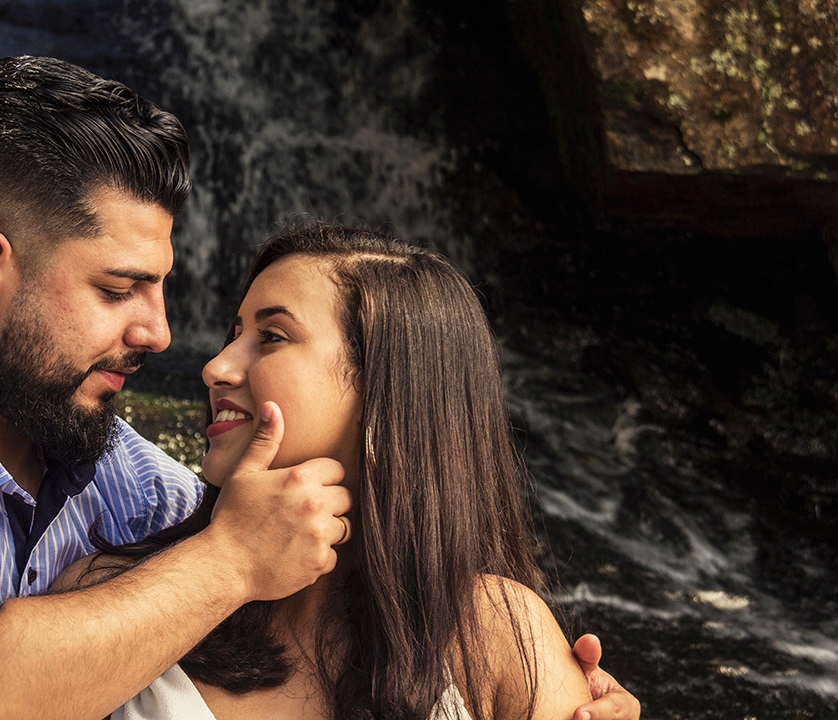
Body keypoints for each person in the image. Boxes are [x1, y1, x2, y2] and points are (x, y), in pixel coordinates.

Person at [0, 56, 636, 719]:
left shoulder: (110, 470)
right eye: (117, 288)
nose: (169, 340)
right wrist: (230, 560)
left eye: (164, 289)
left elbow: (270, 531)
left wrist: (562, 686)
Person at [59, 222, 642, 720]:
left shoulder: (500, 639)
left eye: (272, 336)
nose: (215, 367)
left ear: (390, 394)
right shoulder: (107, 595)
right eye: (233, 333)